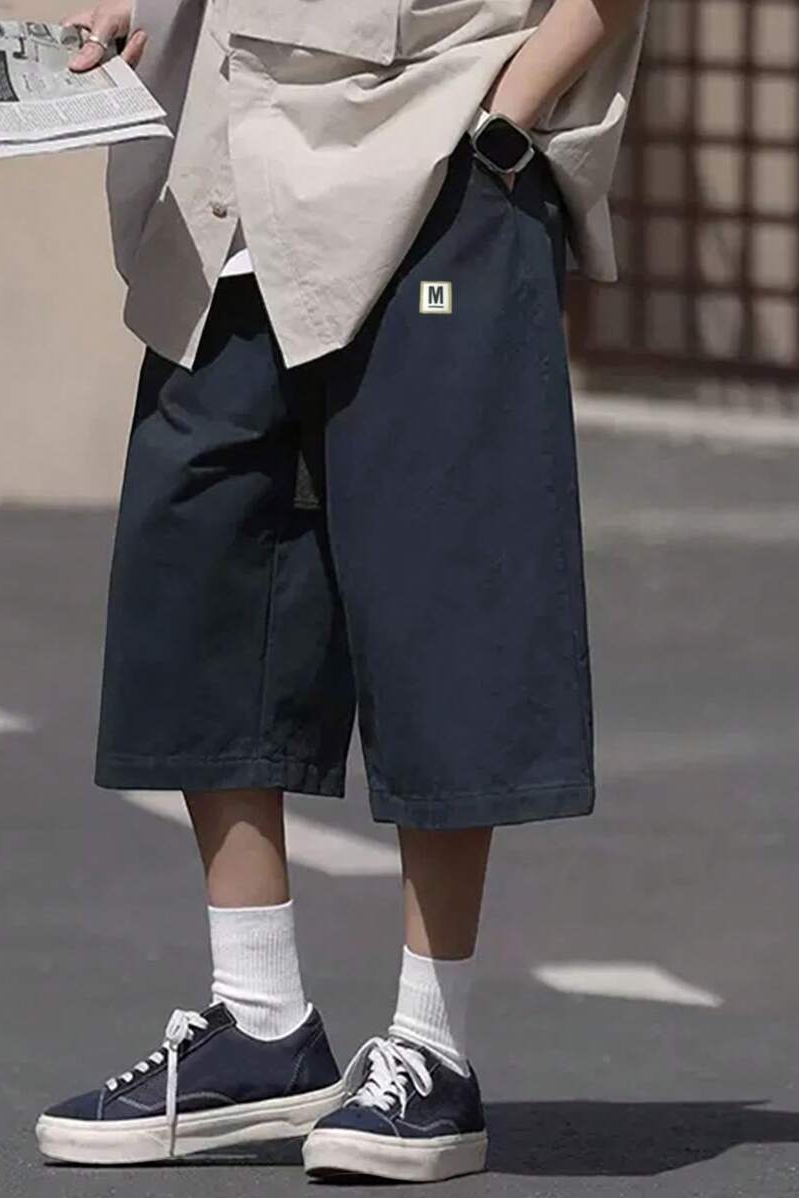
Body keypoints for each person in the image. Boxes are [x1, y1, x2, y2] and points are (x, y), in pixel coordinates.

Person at [35, 0, 648, 1182]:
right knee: (204, 572)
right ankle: (260, 1022)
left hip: (432, 164)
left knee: (441, 599)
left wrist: (506, 121)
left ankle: (434, 1048)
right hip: (228, 173)